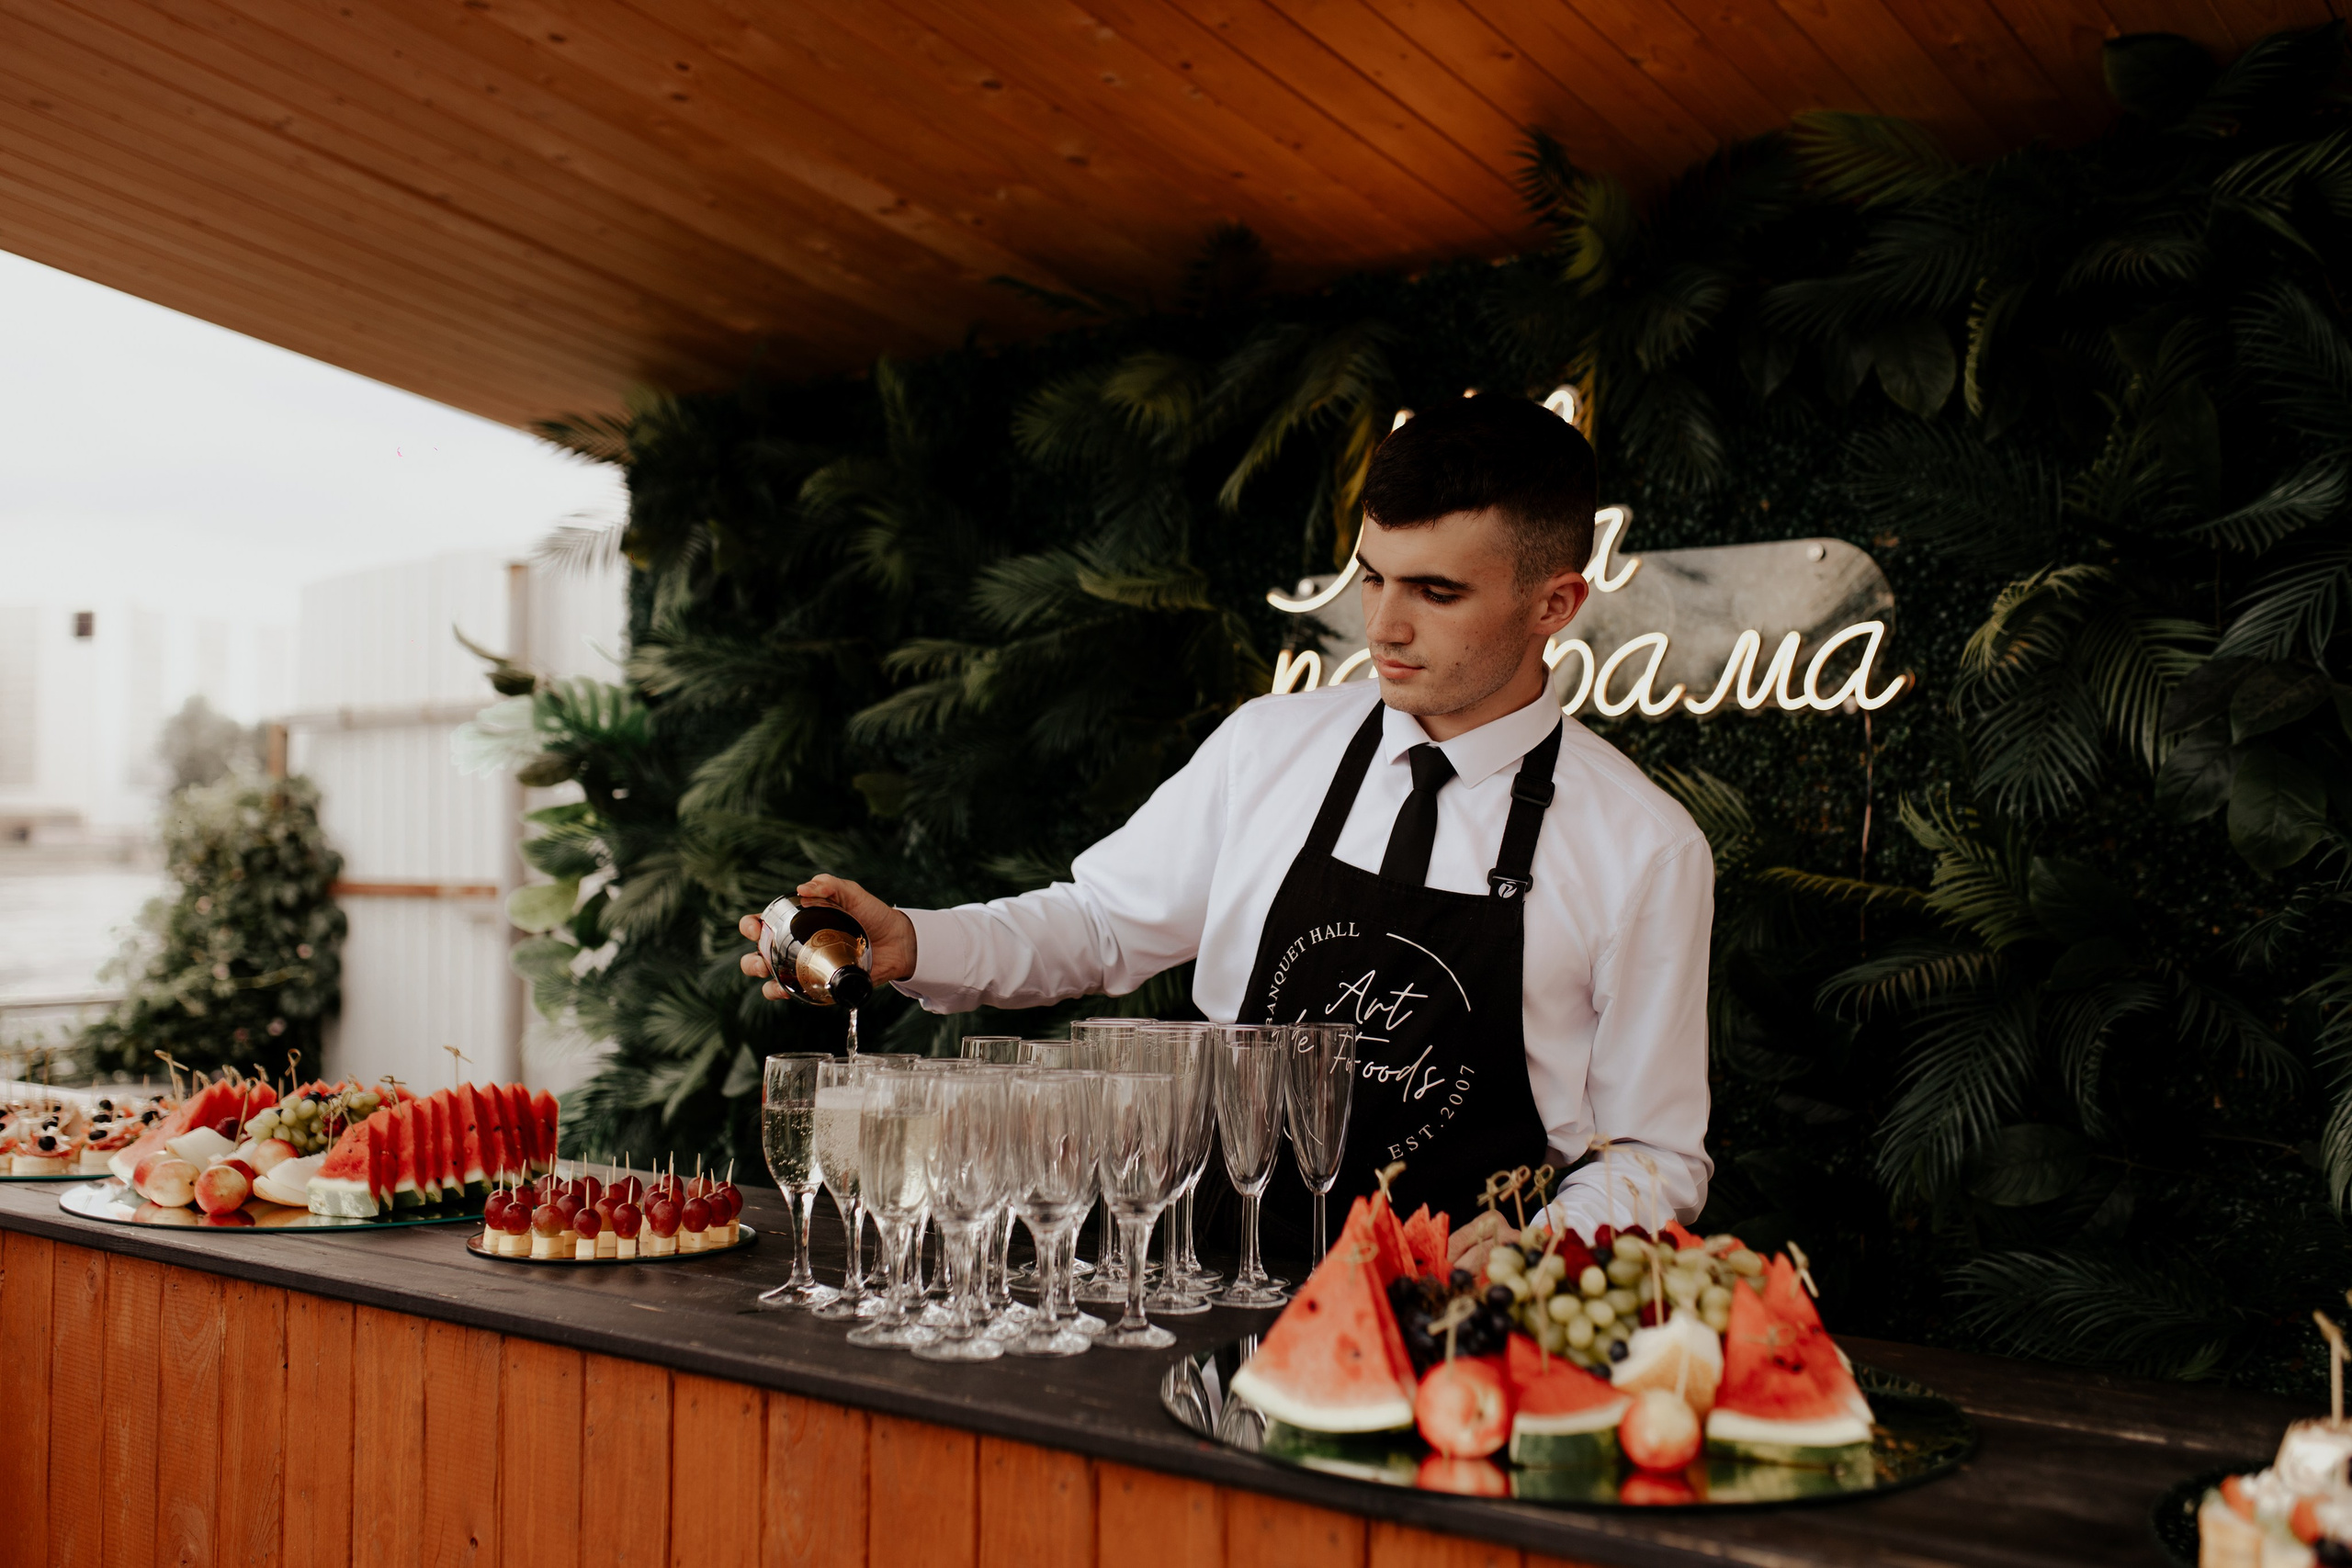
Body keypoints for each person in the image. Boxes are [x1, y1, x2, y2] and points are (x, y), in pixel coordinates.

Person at [741, 396, 1712, 1258]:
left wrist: (1530, 1256)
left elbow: (1652, 1154)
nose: (1382, 626)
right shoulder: (1270, 746)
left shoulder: (1644, 849)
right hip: (1203, 1273)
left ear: (1555, 603)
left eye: (1436, 591)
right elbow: (1101, 924)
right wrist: (915, 941)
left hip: (1455, 1321)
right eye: (1372, 577)